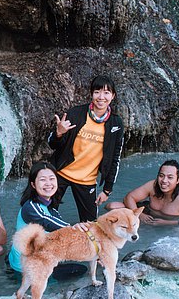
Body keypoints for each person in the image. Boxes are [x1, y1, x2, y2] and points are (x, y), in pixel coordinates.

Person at [48, 75, 124, 222]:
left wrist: (107, 189)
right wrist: (58, 133)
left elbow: (115, 158)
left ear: (113, 96)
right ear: (91, 94)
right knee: (43, 216)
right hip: (60, 173)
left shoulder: (116, 123)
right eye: (97, 92)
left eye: (106, 92)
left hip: (87, 180)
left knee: (91, 225)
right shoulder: (75, 114)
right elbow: (52, 144)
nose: (101, 97)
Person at [7, 161, 87, 278]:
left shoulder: (50, 208)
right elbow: (47, 221)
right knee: (80, 270)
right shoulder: (30, 207)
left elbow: (60, 235)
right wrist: (72, 228)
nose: (48, 183)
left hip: (27, 257)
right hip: (26, 267)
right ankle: (49, 285)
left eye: (51, 179)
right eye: (43, 180)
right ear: (33, 184)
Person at [107, 159, 179, 225]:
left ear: (177, 180)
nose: (164, 180)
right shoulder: (153, 185)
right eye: (161, 176)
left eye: (170, 177)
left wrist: (167, 223)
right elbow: (129, 197)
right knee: (111, 206)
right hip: (148, 213)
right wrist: (139, 215)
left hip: (168, 225)